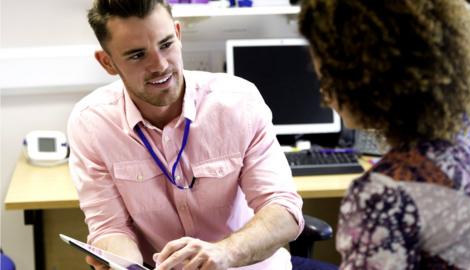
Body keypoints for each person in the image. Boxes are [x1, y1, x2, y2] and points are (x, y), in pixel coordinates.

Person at [67, 0, 305, 269]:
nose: (159, 65)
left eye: (166, 44)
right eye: (137, 55)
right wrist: (123, 263)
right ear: (107, 62)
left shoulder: (239, 102)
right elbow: (110, 228)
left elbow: (283, 209)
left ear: (178, 35)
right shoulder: (91, 123)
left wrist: (225, 253)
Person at [298, 0, 470, 269]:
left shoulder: (383, 194)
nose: (325, 95)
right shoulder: (469, 140)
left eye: (327, 76)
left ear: (360, 75)